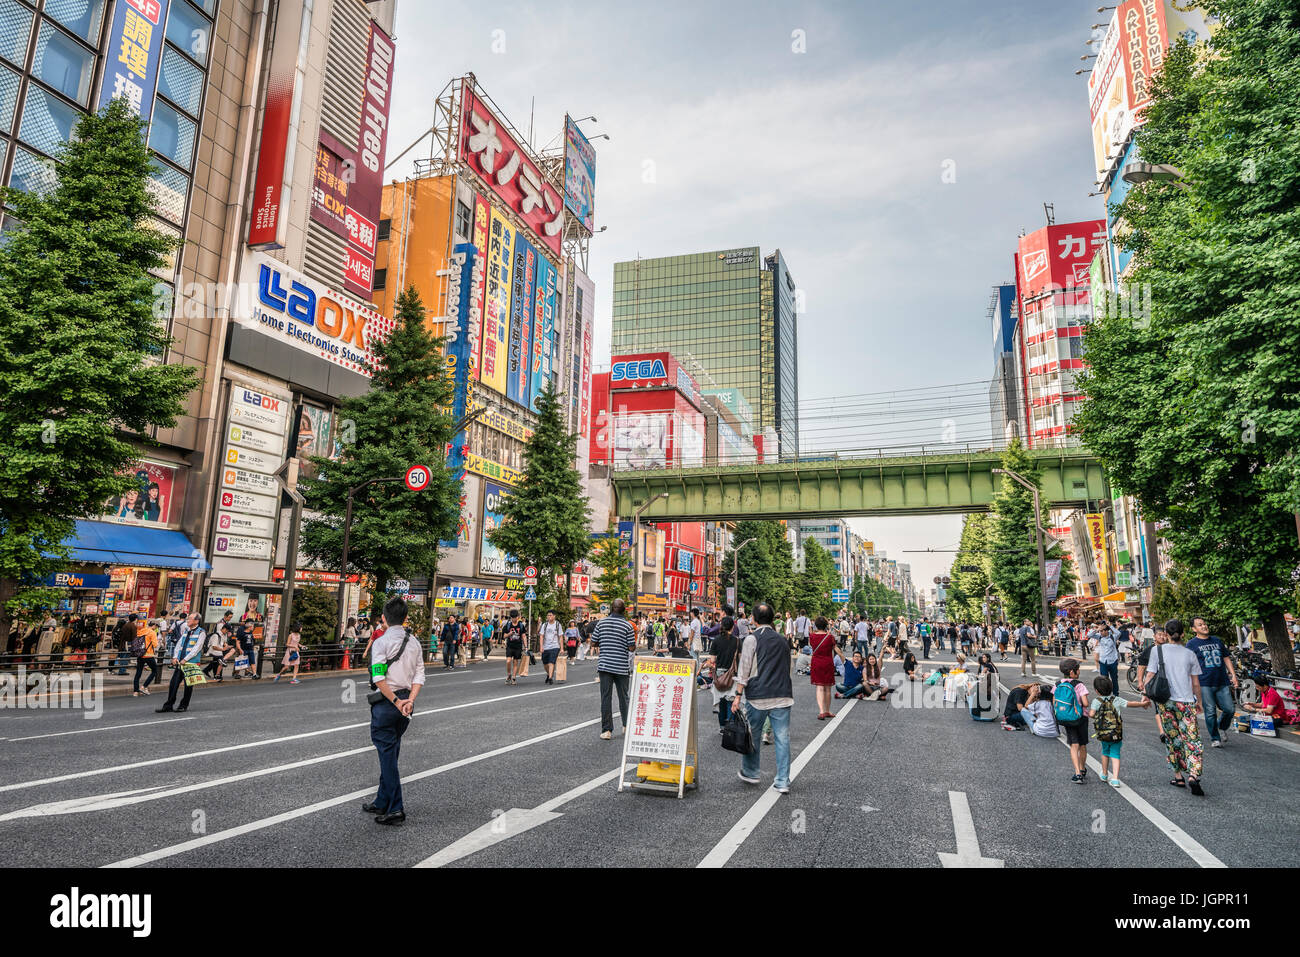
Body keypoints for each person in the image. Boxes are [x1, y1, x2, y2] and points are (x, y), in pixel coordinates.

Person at [363, 596, 425, 825]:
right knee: (391, 750)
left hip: (387, 703)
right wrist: (409, 700)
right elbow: (419, 675)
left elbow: (378, 677)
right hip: (407, 703)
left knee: (387, 756)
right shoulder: (415, 642)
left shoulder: (380, 642)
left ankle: (396, 807)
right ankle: (382, 800)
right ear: (406, 618)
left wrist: (395, 701)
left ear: (383, 619)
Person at [735, 602, 794, 794]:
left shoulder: (752, 639)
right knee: (782, 739)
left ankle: (752, 772)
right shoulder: (782, 640)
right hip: (782, 695)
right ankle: (783, 781)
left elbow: (744, 669)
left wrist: (737, 695)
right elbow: (788, 668)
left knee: (753, 734)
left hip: (757, 696)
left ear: (753, 619)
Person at [1144, 619, 1206, 795]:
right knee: (1192, 739)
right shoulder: (1189, 654)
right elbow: (1195, 683)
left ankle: (1178, 776)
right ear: (1183, 633)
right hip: (1186, 702)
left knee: (1172, 739)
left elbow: (1150, 675)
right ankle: (1193, 775)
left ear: (1166, 633)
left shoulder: (1158, 650)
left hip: (1166, 701)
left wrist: (1145, 695)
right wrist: (1199, 702)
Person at [1186, 616, 1238, 748]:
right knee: (1210, 712)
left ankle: (1221, 727)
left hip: (1222, 680)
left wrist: (1233, 675)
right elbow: (1188, 665)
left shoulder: (1217, 640)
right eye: (1200, 625)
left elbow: (1226, 658)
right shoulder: (1191, 644)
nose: (1204, 626)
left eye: (1204, 623)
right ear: (1194, 629)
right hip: (1204, 683)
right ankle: (1215, 738)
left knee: (1229, 709)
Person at [1089, 675, 1150, 788]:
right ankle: (1116, 779)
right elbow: (1131, 704)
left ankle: (1104, 774)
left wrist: (1098, 718)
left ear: (1096, 691)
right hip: (1116, 733)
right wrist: (1143, 704)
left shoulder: (1096, 701)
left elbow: (1092, 714)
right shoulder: (1116, 700)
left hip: (1103, 734)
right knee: (1115, 754)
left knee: (1105, 752)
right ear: (1111, 688)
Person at [592, 598, 636, 740]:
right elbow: (631, 647)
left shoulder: (601, 623)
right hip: (621, 666)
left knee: (606, 697)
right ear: (624, 610)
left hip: (605, 665)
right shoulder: (627, 626)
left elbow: (593, 642)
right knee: (624, 696)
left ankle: (607, 731)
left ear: (611, 608)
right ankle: (626, 725)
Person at [156, 613, 206, 714]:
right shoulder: (186, 630)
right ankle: (168, 705)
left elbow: (197, 648)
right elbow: (179, 644)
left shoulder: (201, 632)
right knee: (173, 684)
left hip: (191, 663)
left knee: (188, 685)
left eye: (190, 619)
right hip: (180, 662)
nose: (188, 620)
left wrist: (185, 659)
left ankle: (183, 705)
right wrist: (175, 656)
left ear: (196, 621)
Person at [1054, 658, 1090, 784]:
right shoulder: (1079, 685)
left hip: (1066, 719)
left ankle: (1077, 773)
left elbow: (1055, 702)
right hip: (1081, 718)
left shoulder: (1058, 684)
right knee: (1082, 745)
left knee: (1074, 745)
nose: (1079, 671)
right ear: (1072, 672)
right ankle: (1082, 768)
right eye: (1077, 669)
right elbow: (1085, 703)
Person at [709, 615, 739, 730]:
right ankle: (730, 726)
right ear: (732, 627)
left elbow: (712, 660)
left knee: (721, 700)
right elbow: (740, 658)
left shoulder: (716, 640)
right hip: (733, 674)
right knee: (730, 700)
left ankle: (722, 727)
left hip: (720, 674)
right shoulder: (737, 641)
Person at [808, 617, 837, 719]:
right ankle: (827, 710)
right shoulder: (830, 637)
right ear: (826, 625)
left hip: (816, 662)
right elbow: (833, 650)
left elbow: (812, 646)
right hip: (828, 662)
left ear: (816, 625)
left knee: (819, 687)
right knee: (828, 688)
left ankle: (821, 711)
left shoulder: (812, 636)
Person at [131, 619, 159, 696]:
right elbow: (155, 644)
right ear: (154, 625)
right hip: (148, 654)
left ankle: (135, 692)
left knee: (138, 673)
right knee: (154, 671)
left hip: (140, 654)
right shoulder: (152, 632)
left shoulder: (141, 631)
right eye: (157, 627)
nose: (156, 628)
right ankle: (144, 686)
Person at [1093, 622, 1120, 692]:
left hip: (1113, 661)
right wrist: (1097, 629)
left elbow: (1118, 633)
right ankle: (1105, 694)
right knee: (1104, 680)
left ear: (1106, 631)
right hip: (1103, 662)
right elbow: (1089, 635)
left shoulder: (1112, 637)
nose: (1100, 632)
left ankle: (1115, 694)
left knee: (1114, 679)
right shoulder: (1099, 637)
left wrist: (1110, 625)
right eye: (1100, 631)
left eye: (1102, 631)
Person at [502, 609, 526, 684]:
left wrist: (526, 647)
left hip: (518, 646)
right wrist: (509, 634)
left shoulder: (521, 625)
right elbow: (504, 636)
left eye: (515, 617)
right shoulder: (508, 625)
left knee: (515, 662)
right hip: (509, 646)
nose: (514, 619)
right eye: (512, 617)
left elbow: (523, 636)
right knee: (508, 661)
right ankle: (509, 674)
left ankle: (514, 678)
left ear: (518, 617)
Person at [539, 610, 563, 684]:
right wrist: (541, 647)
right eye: (548, 615)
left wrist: (562, 648)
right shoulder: (544, 625)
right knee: (545, 663)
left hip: (555, 646)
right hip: (546, 647)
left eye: (550, 615)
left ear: (554, 616)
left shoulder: (558, 625)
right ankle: (549, 674)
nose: (549, 617)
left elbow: (560, 637)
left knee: (551, 662)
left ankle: (550, 678)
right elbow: (541, 636)